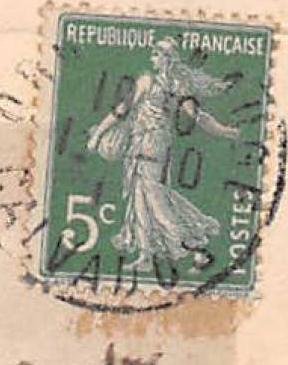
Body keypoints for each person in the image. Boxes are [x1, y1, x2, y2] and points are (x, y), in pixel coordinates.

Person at [85, 37, 241, 270]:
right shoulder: (179, 85)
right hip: (156, 143)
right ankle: (146, 255)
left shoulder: (148, 81)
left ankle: (195, 248)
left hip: (148, 142)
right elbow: (198, 117)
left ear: (167, 58)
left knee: (154, 198)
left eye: (156, 54)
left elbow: (122, 110)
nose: (152, 58)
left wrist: (99, 135)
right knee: (143, 196)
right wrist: (225, 131)